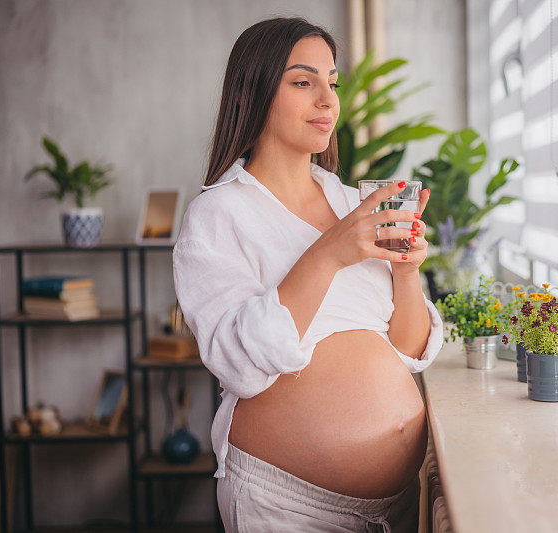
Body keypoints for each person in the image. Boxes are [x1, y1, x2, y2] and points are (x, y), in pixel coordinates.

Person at [171, 16, 445, 532]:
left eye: (332, 82)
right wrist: (327, 254)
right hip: (288, 508)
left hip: (398, 507)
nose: (328, 100)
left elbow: (406, 352)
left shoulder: (352, 202)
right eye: (303, 82)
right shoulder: (218, 217)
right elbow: (238, 364)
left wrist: (407, 271)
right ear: (254, 94)